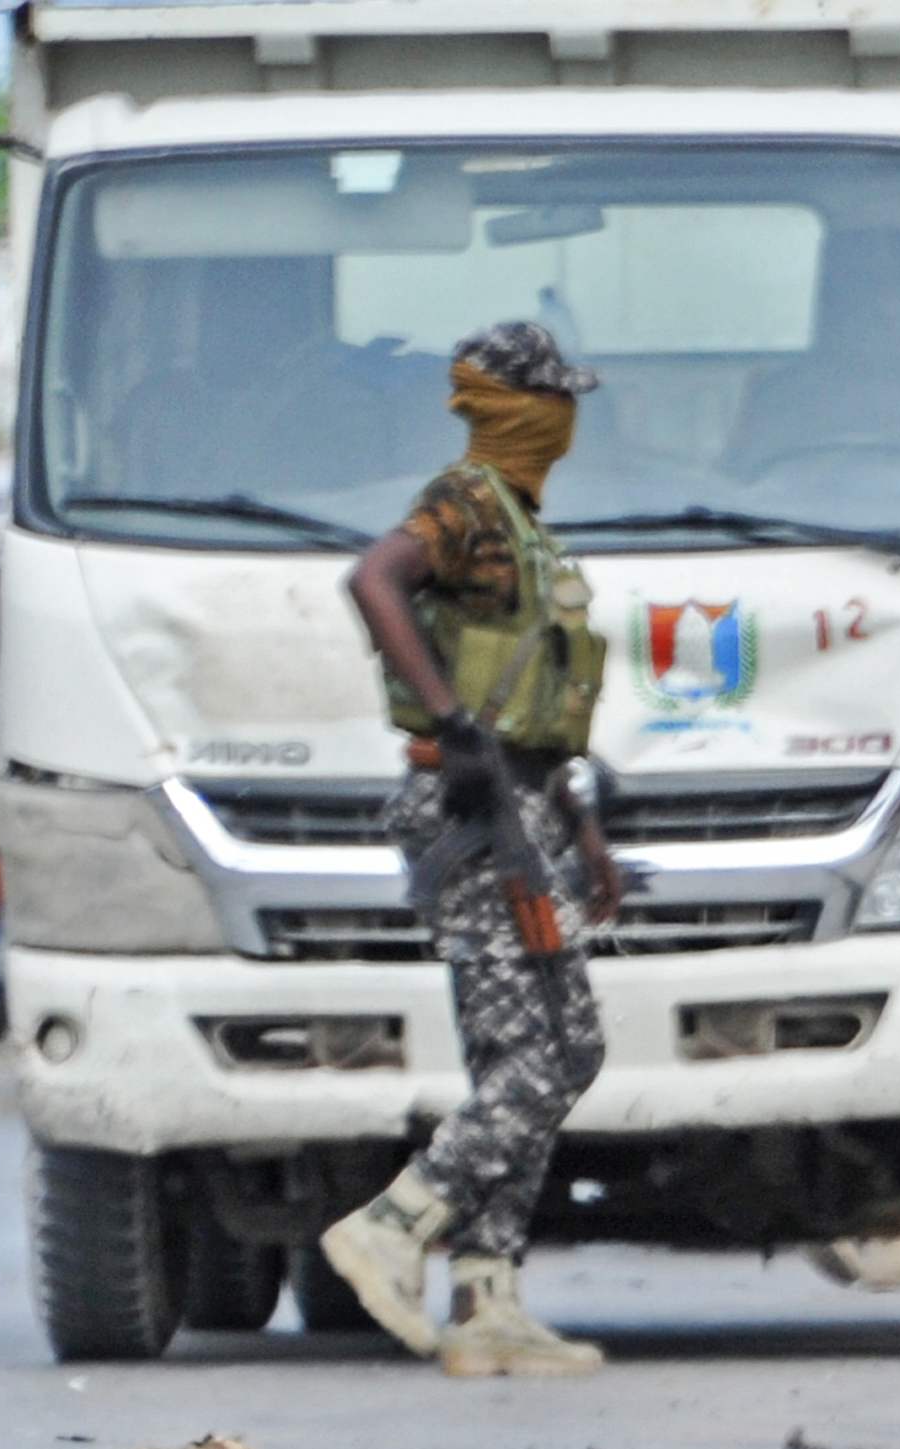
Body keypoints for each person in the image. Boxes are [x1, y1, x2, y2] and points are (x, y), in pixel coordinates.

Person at [320, 321, 633, 1378]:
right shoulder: (463, 501)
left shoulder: (523, 524)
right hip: (473, 809)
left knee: (547, 1053)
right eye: (550, 401)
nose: (563, 423)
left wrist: (583, 829)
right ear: (511, 406)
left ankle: (488, 1299)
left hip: (528, 804)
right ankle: (391, 1228)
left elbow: (543, 703)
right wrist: (453, 725)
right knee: (546, 1059)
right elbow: (372, 581)